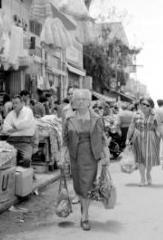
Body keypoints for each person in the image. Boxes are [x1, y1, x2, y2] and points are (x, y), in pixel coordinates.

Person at [59, 89, 110, 231]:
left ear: (89, 102)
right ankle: (84, 206)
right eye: (78, 99)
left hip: (92, 155)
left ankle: (85, 216)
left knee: (88, 186)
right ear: (74, 102)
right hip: (75, 156)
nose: (81, 102)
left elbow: (103, 140)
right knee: (79, 186)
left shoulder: (97, 118)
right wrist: (61, 157)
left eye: (84, 99)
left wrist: (107, 157)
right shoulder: (69, 118)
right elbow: (65, 140)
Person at [126, 97, 163, 186]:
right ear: (140, 105)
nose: (144, 106)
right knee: (141, 159)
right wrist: (127, 138)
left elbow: (159, 128)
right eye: (142, 104)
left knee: (149, 158)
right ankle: (142, 178)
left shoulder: (155, 116)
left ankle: (148, 173)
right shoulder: (136, 115)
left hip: (151, 138)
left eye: (147, 105)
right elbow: (131, 127)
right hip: (138, 138)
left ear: (151, 106)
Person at [3, 95, 36, 168]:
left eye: (16, 103)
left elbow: (24, 124)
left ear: (22, 103)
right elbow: (5, 128)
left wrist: (12, 128)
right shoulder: (11, 114)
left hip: (25, 142)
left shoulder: (28, 111)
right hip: (10, 142)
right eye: (13, 103)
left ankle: (25, 174)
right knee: (2, 159)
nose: (14, 105)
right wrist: (19, 128)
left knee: (26, 160)